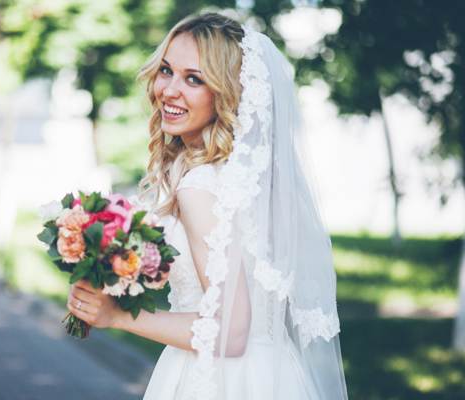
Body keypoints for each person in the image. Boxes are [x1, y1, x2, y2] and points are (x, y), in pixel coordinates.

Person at [67, 12, 349, 399]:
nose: (169, 90)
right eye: (166, 70)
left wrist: (117, 316)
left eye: (194, 79)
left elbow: (231, 332)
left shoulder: (199, 187)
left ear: (227, 93)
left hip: (219, 379)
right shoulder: (246, 180)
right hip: (274, 373)